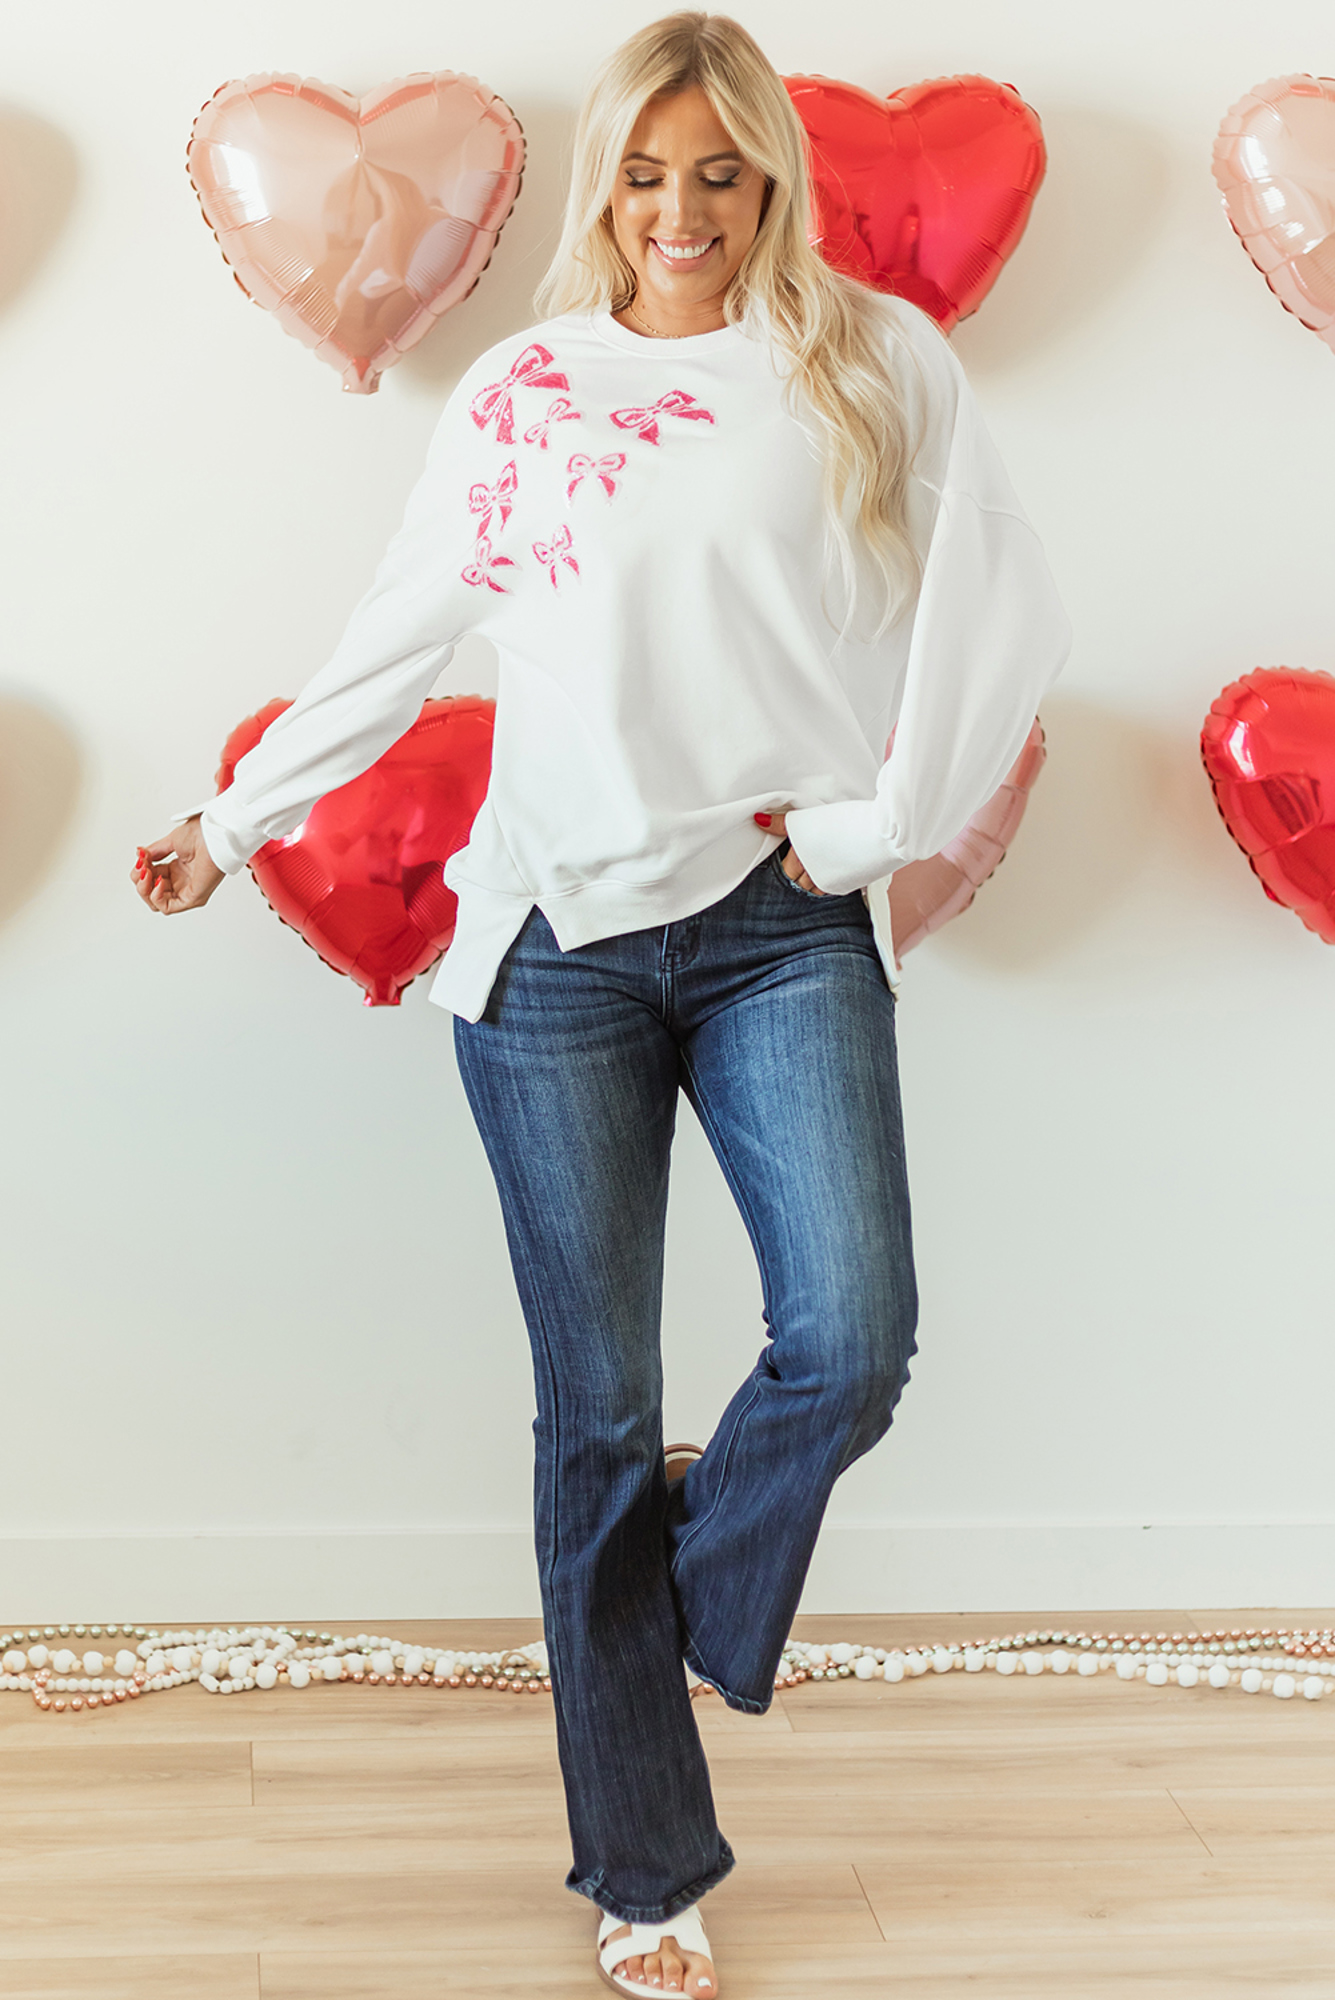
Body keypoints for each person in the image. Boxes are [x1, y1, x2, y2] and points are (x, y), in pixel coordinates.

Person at [133, 14, 1070, 1995]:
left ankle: (682, 1573)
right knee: (598, 1414)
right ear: (605, 185)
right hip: (550, 945)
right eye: (643, 175)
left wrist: (880, 821)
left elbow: (1002, 604)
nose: (679, 211)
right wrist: (234, 819)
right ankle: (645, 1877)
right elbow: (397, 633)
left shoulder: (874, 364)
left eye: (717, 172)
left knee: (851, 1339)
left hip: (780, 919)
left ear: (770, 178)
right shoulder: (526, 390)